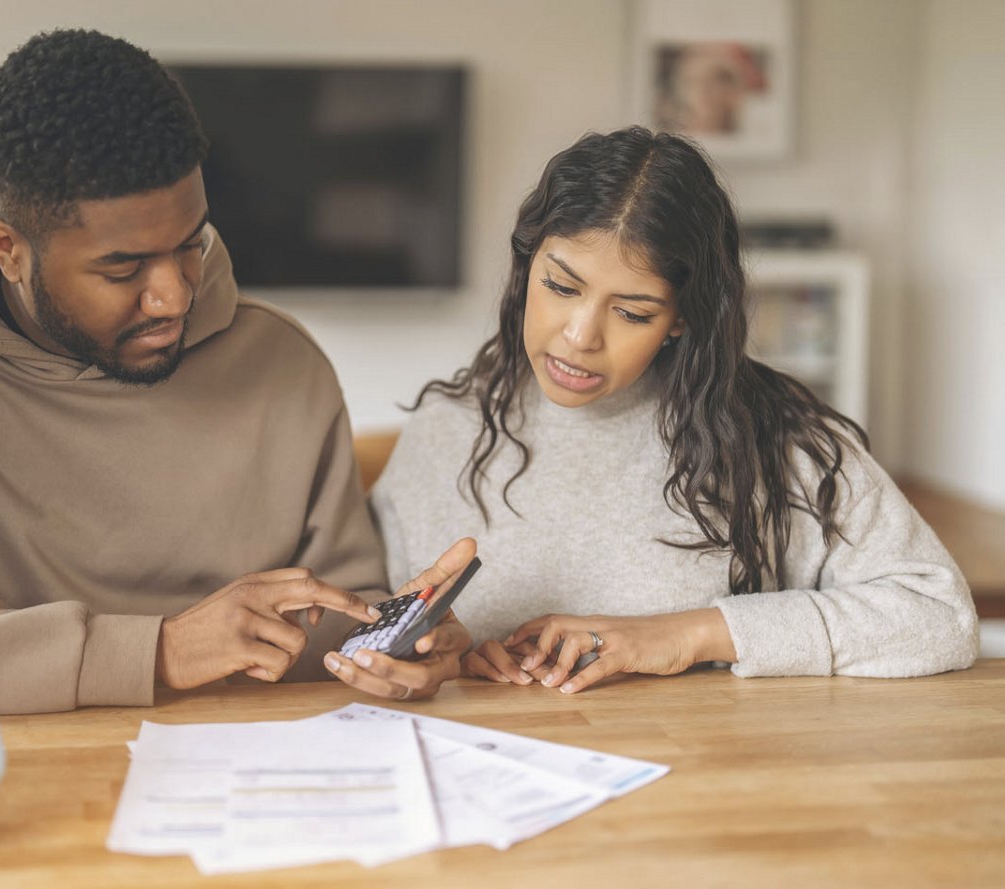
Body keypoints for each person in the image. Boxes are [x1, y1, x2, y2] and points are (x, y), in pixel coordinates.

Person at [0, 29, 471, 714]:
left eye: (192, 243)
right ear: (7, 247)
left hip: (247, 791)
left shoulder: (284, 366)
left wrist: (399, 649)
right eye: (122, 267)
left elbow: (342, 613)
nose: (175, 295)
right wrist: (153, 650)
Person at [369, 126, 978, 695]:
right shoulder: (447, 431)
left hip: (709, 788)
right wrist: (445, 655)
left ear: (683, 318)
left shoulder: (777, 439)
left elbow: (939, 615)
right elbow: (385, 624)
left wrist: (689, 634)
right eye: (560, 286)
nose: (581, 336)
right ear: (528, 265)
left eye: (632, 312)